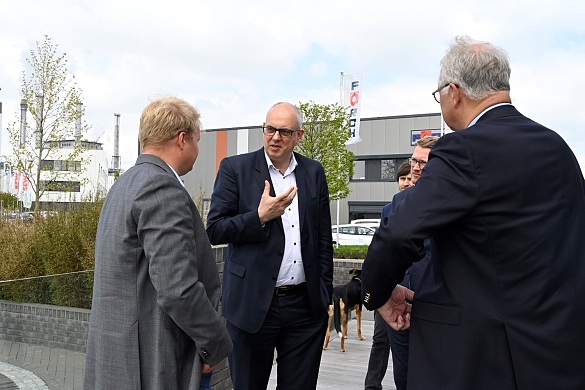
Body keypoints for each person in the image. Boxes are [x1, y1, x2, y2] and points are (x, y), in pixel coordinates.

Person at [361, 35, 585, 389]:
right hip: (557, 352)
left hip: (480, 358)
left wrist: (379, 291)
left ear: (455, 91)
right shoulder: (558, 147)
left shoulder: (463, 149)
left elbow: (402, 231)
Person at [84, 96, 233, 390]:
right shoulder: (160, 186)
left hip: (118, 361)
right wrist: (215, 343)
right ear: (182, 140)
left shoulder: (124, 184)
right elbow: (178, 289)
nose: (197, 150)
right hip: (157, 364)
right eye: (196, 141)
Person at [207, 102, 333, 390]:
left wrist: (323, 296)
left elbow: (323, 239)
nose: (275, 137)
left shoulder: (313, 173)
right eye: (270, 129)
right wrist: (259, 217)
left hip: (304, 307)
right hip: (252, 306)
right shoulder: (235, 169)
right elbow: (214, 229)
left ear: (299, 136)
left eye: (284, 131)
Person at [385, 136, 438, 390]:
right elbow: (384, 253)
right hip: (400, 310)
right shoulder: (396, 204)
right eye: (413, 161)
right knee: (403, 379)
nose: (415, 167)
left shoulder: (455, 203)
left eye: (422, 163)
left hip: (438, 311)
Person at [363, 159, 413, 390]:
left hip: (415, 291)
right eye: (401, 178)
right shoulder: (389, 209)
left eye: (409, 177)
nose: (406, 182)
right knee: (380, 340)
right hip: (389, 289)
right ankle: (372, 385)